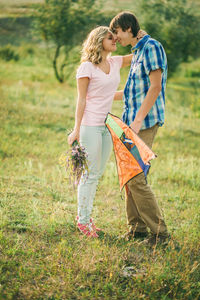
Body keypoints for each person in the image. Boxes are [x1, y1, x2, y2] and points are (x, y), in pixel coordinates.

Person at [68, 26, 134, 238]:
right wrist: (76, 129)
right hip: (89, 126)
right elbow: (82, 99)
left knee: (96, 175)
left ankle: (85, 217)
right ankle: (83, 221)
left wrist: (138, 35)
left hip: (107, 125)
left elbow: (136, 55)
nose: (115, 39)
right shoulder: (86, 68)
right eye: (110, 37)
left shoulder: (114, 62)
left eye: (115, 37)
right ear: (98, 41)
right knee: (89, 175)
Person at [110, 12, 170, 245]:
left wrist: (136, 121)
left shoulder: (152, 47)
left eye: (116, 32)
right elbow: (128, 93)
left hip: (143, 123)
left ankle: (160, 234)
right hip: (129, 122)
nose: (115, 39)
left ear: (127, 28)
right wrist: (95, 97)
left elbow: (155, 88)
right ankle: (137, 229)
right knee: (129, 174)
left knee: (135, 176)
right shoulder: (136, 53)